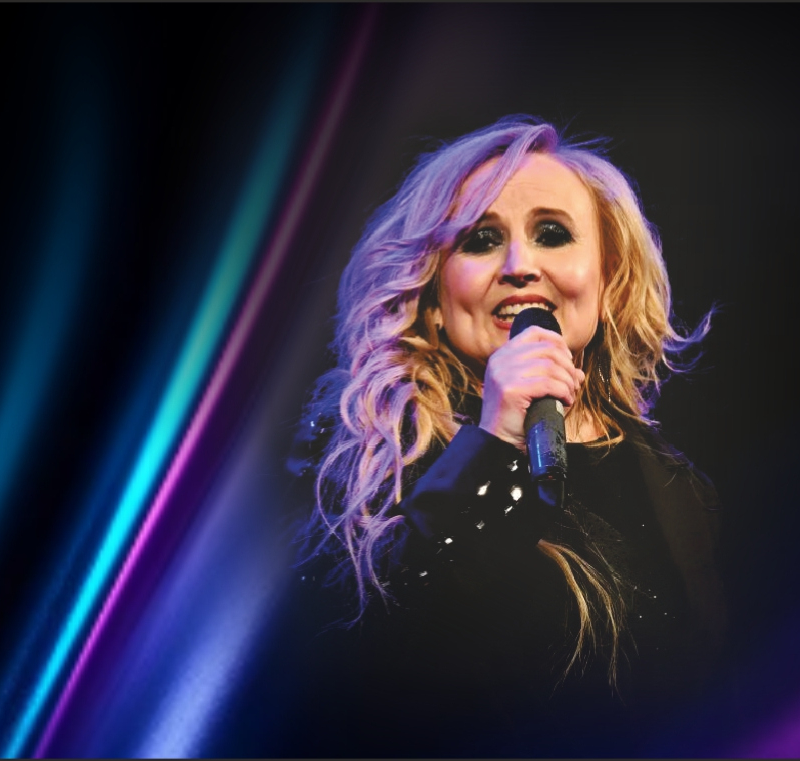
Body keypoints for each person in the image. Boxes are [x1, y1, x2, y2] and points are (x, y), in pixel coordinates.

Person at [223, 115, 729, 757]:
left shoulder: (677, 487)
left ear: (607, 279)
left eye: (552, 234)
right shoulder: (360, 448)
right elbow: (349, 671)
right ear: (434, 293)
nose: (520, 266)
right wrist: (493, 442)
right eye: (481, 240)